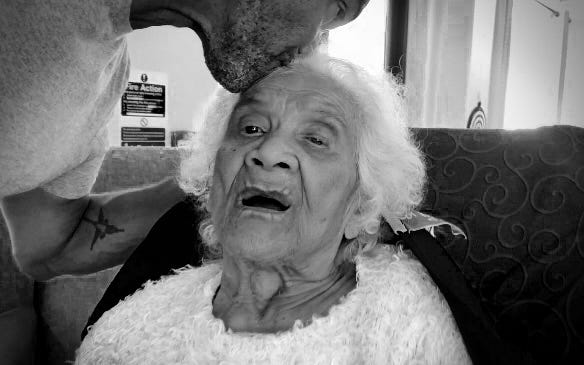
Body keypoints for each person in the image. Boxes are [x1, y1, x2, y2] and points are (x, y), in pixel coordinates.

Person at [76, 53, 471, 364]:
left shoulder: (401, 320)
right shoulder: (129, 330)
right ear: (212, 183)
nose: (267, 152)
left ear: (359, 207)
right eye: (251, 129)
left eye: (316, 139)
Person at [0, 0, 369, 280]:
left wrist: (224, 183)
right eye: (336, 6)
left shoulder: (101, 84)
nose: (316, 42)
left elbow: (52, 247)